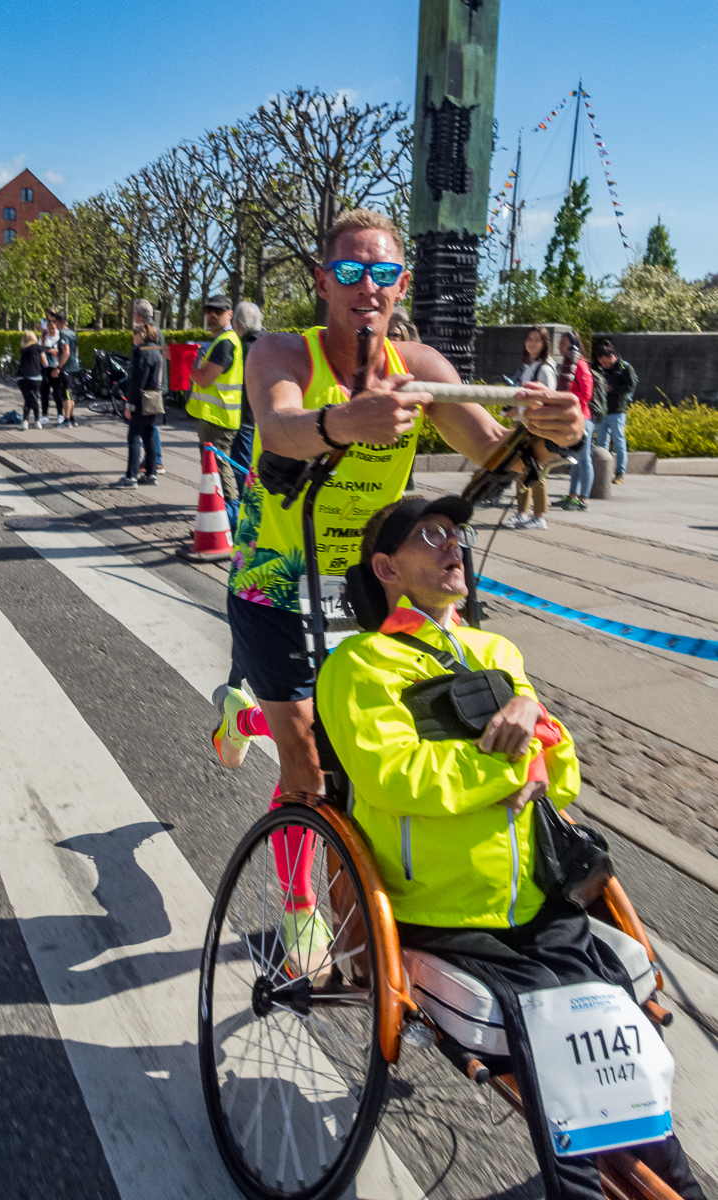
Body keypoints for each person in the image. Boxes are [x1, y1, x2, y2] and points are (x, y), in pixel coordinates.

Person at [209, 207, 584, 957]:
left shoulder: (424, 370)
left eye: (382, 273)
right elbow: (279, 427)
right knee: (311, 756)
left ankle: (245, 715)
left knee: (367, 739)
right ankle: (299, 907)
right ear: (322, 282)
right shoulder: (282, 351)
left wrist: (550, 434)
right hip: (276, 580)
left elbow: (496, 460)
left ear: (401, 283)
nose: (365, 287)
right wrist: (346, 422)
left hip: (376, 583)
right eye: (348, 271)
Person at [316, 495, 706, 1200]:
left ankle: (676, 1181)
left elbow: (561, 774)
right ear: (386, 567)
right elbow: (394, 775)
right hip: (443, 910)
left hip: (534, 900)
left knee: (620, 1049)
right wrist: (504, 766)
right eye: (430, 535)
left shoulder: (497, 652)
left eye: (456, 534)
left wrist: (535, 727)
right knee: (568, 1059)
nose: (452, 546)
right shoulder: (360, 665)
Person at [186, 294, 243, 518]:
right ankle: (221, 519)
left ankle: (230, 520)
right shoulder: (221, 341)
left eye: (217, 311)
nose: (211, 315)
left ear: (230, 314)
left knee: (218, 471)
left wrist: (184, 364)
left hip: (218, 420)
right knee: (215, 472)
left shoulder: (225, 343)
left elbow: (203, 379)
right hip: (216, 418)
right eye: (208, 310)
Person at [504, 326, 557, 530]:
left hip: (535, 425)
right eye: (529, 338)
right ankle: (522, 512)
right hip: (524, 423)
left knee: (535, 469)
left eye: (537, 339)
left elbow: (547, 399)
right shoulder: (529, 366)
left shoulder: (544, 368)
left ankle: (538, 515)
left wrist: (520, 411)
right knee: (521, 468)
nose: (532, 342)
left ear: (545, 344)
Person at [117, 322, 162, 489]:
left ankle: (131, 477)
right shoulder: (156, 351)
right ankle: (151, 474)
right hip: (153, 399)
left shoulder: (142, 353)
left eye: (135, 334)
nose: (133, 338)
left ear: (142, 335)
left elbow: (138, 382)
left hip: (141, 401)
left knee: (134, 438)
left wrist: (130, 404)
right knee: (149, 437)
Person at [558, 332, 597, 512]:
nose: (560, 346)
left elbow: (587, 395)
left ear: (573, 345)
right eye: (560, 343)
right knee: (575, 459)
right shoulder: (567, 365)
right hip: (572, 416)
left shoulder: (581, 366)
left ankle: (583, 499)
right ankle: (572, 496)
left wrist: (567, 396)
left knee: (584, 459)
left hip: (583, 417)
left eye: (564, 343)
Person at [594, 339, 637, 485]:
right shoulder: (600, 369)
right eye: (602, 363)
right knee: (600, 443)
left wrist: (611, 388)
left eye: (606, 363)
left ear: (613, 356)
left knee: (618, 442)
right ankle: (601, 472)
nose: (604, 365)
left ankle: (619, 473)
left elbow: (630, 386)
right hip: (602, 410)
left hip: (617, 410)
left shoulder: (625, 368)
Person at [230, 301, 264, 476]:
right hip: (266, 419)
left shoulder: (241, 349)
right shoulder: (269, 344)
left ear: (239, 325)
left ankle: (244, 502)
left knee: (242, 467)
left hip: (245, 418)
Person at [133, 299, 165, 475]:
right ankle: (153, 460)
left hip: (150, 386)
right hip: (154, 385)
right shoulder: (153, 329)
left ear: (139, 314)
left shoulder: (147, 331)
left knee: (149, 426)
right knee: (149, 425)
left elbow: (148, 361)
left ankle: (156, 460)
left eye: (134, 313)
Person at [52, 312, 79, 427]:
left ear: (59, 322)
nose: (55, 325)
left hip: (66, 368)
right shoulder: (72, 333)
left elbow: (66, 352)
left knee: (66, 394)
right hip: (74, 367)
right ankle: (72, 418)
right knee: (71, 393)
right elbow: (76, 350)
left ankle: (66, 420)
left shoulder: (63, 334)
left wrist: (58, 367)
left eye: (55, 322)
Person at [17, 330, 43, 429]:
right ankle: (37, 421)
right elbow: (45, 362)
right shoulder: (38, 348)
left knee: (28, 399)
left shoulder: (23, 350)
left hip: (22, 377)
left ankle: (25, 421)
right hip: (35, 377)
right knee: (34, 398)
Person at [39, 314, 61, 424]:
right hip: (46, 368)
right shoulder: (43, 338)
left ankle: (60, 414)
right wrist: (47, 350)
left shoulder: (60, 338)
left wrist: (57, 353)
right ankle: (44, 415)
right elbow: (39, 351)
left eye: (53, 328)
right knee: (44, 392)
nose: (52, 330)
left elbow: (66, 352)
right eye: (50, 328)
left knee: (57, 392)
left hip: (56, 367)